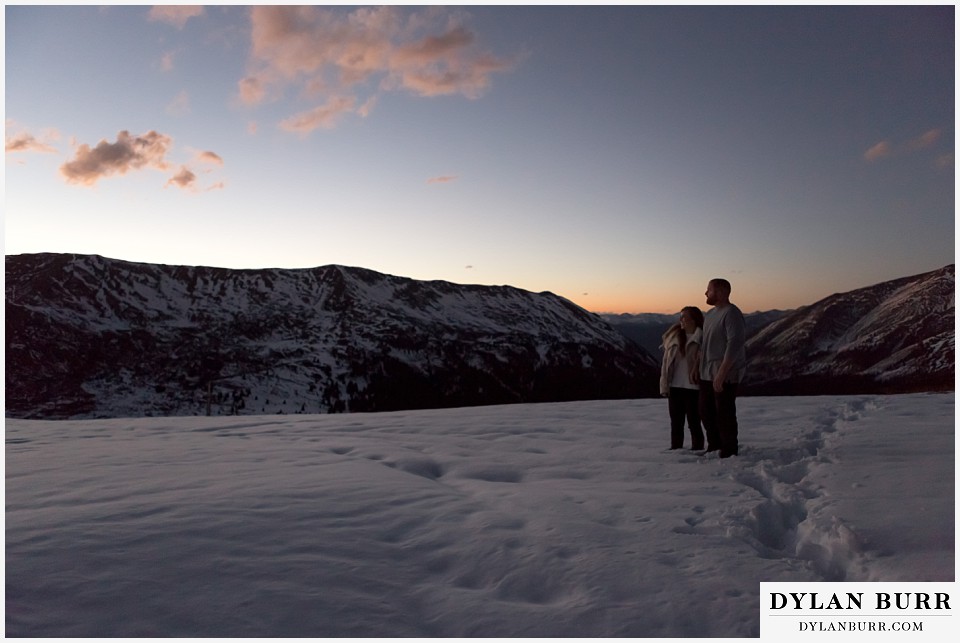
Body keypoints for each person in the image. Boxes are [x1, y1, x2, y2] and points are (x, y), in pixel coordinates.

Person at [698, 278, 747, 458]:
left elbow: (734, 343)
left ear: (720, 292)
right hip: (707, 373)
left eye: (708, 289)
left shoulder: (731, 313)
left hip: (723, 374)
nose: (705, 293)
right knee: (705, 411)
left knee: (724, 413)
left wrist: (722, 373)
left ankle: (728, 450)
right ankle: (714, 446)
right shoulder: (710, 314)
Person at [659, 306, 705, 450]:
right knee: (676, 422)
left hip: (694, 387)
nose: (681, 320)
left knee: (694, 422)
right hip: (675, 386)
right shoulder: (673, 338)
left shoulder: (703, 339)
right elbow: (665, 365)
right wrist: (664, 385)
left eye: (684, 317)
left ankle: (697, 449)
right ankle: (676, 449)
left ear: (694, 320)